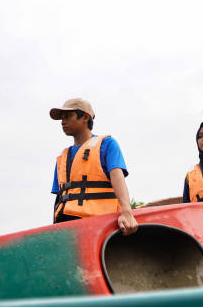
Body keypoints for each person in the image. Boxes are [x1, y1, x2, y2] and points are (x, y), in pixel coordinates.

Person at [50, 98, 138, 235]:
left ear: (85, 117)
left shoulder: (107, 144)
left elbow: (117, 176)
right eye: (61, 118)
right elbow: (59, 197)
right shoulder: (63, 157)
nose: (62, 121)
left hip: (100, 223)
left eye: (67, 116)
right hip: (66, 226)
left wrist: (127, 212)